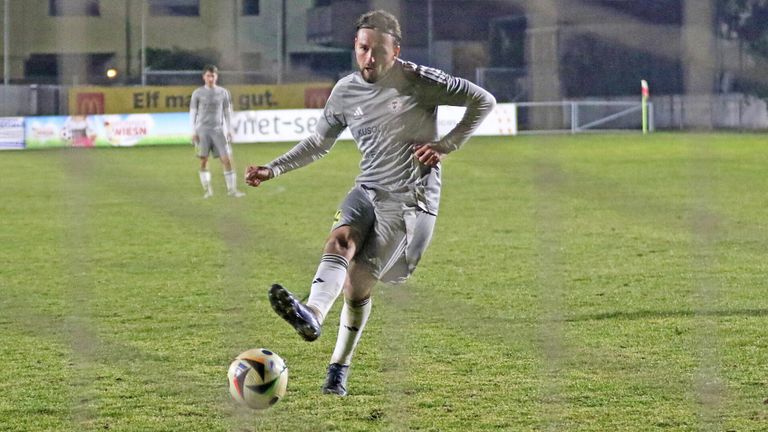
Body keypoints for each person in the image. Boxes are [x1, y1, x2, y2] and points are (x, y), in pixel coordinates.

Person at [244, 10, 496, 396]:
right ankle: (311, 313)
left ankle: (338, 367)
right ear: (355, 47)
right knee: (339, 240)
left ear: (395, 51)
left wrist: (448, 143)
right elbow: (318, 143)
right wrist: (272, 169)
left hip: (411, 202)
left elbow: (482, 100)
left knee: (357, 287)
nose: (369, 59)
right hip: (367, 188)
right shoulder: (345, 90)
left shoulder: (420, 82)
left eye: (378, 51)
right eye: (363, 49)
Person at [190, 64, 245, 198]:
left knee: (227, 159)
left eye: (213, 75)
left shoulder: (223, 92)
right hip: (202, 130)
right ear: (204, 77)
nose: (211, 78)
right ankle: (208, 191)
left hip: (218, 130)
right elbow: (193, 113)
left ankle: (232, 190)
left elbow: (227, 112)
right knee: (203, 161)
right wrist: (193, 131)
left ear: (216, 77)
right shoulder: (197, 93)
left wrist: (229, 129)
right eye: (208, 75)